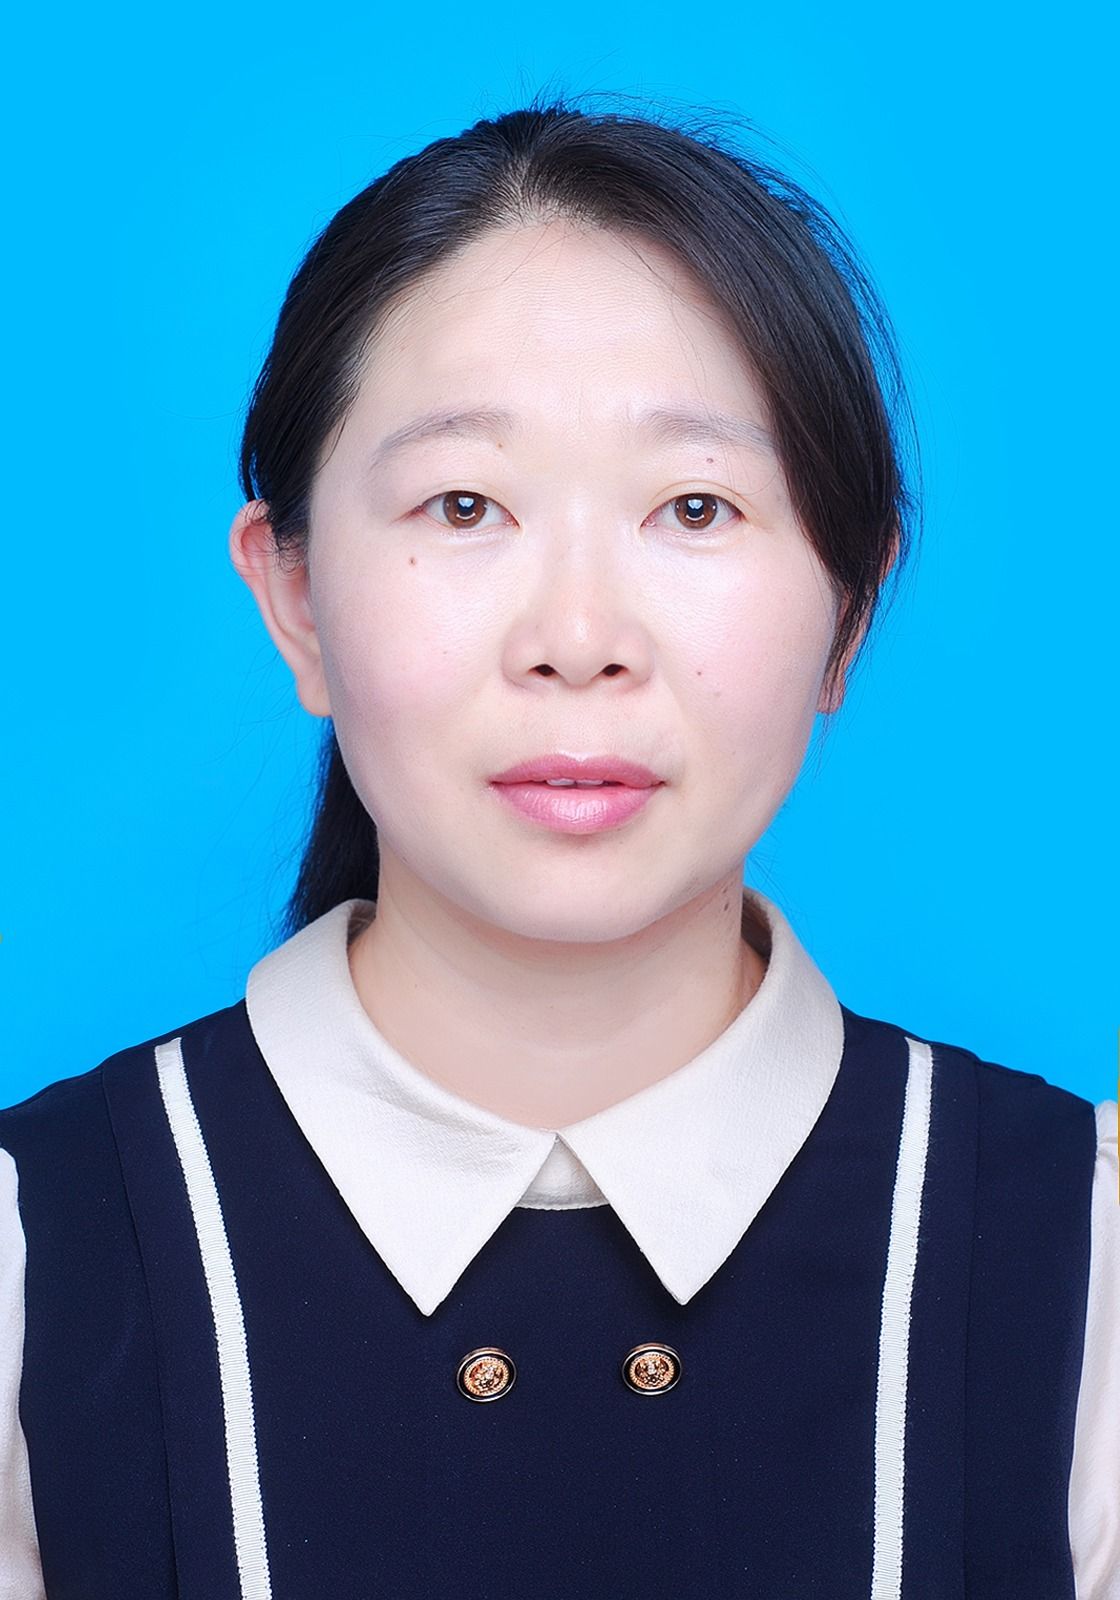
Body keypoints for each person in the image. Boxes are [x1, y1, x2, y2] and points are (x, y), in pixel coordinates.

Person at [1, 94, 1116, 1599]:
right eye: (465, 505)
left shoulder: (1084, 1264)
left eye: (696, 507)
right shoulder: (32, 1263)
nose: (579, 639)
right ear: (296, 598)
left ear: (849, 611)